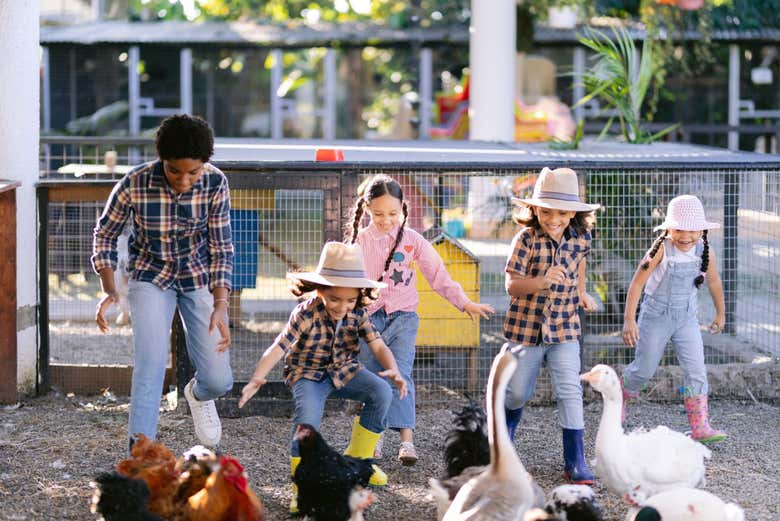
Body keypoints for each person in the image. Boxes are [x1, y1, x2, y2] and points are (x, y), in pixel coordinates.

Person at [92, 114, 233, 449]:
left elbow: (221, 247)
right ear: (161, 160)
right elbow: (105, 234)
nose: (184, 180)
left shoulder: (216, 183)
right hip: (150, 275)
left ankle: (198, 395)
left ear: (204, 165)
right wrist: (110, 288)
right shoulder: (135, 182)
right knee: (151, 365)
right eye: (174, 171)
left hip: (197, 276)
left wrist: (220, 302)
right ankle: (140, 455)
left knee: (219, 380)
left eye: (193, 172)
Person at [238, 241, 408, 514]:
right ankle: (302, 487)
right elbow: (279, 346)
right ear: (320, 290)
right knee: (307, 420)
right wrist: (257, 378)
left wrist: (394, 370)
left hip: (344, 371)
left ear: (359, 295)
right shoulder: (305, 313)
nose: (342, 306)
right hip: (308, 375)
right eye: (335, 299)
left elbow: (377, 345)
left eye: (350, 300)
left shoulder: (357, 313)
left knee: (381, 392)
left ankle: (359, 462)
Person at [347, 174, 494, 466]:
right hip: (369, 320)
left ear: (403, 208)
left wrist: (463, 302)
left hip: (404, 318)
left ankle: (407, 441)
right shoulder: (359, 241)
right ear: (368, 209)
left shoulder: (412, 240)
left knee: (401, 374)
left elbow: (438, 274)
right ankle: (373, 438)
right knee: (372, 378)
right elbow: (344, 281)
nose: (386, 220)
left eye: (393, 213)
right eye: (379, 214)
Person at [503, 166, 600, 485]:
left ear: (573, 213)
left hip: (564, 326)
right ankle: (502, 443)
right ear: (535, 210)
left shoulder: (581, 238)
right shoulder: (526, 239)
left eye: (561, 212)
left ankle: (575, 460)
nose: (553, 218)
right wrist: (542, 282)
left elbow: (579, 263)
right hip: (526, 328)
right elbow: (511, 286)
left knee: (570, 390)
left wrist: (582, 292)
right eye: (546, 211)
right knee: (517, 392)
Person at [622, 194, 727, 443]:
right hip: (656, 316)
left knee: (696, 370)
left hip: (687, 318)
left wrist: (720, 312)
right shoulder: (660, 250)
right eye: (679, 229)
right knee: (644, 370)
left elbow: (713, 282)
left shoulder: (705, 251)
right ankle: (621, 391)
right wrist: (629, 320)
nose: (686, 236)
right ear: (669, 229)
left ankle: (700, 426)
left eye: (692, 230)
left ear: (701, 230)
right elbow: (637, 284)